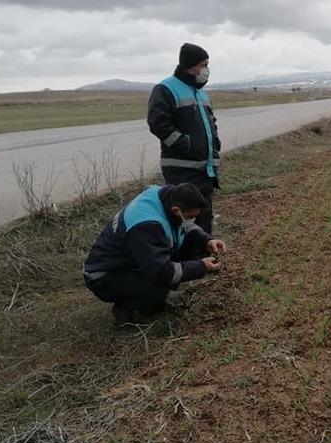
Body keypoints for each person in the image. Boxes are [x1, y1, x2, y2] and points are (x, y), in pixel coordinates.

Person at [83, 183, 226, 324]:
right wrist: (201, 266)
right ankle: (128, 309)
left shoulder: (167, 197)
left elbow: (185, 225)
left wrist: (206, 240)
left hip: (130, 261)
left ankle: (149, 298)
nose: (192, 220)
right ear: (177, 211)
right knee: (157, 284)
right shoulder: (146, 226)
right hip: (104, 276)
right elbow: (160, 272)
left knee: (189, 249)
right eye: (190, 216)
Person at [148, 42, 221, 234]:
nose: (207, 70)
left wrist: (215, 147)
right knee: (184, 223)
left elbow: (211, 124)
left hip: (205, 171)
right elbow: (158, 124)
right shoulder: (166, 89)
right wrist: (186, 145)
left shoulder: (202, 94)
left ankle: (204, 260)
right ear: (191, 66)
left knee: (204, 218)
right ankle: (185, 263)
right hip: (182, 171)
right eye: (204, 65)